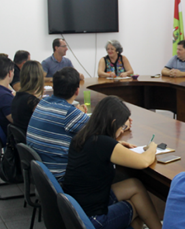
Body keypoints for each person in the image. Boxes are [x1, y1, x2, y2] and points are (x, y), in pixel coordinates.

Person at [63, 96, 162, 229]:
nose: (122, 130)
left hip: (76, 210)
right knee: (140, 207)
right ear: (113, 123)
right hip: (92, 220)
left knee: (135, 185)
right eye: (122, 126)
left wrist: (117, 145)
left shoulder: (83, 136)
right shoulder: (104, 144)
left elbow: (97, 151)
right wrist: (152, 148)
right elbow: (144, 161)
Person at [27, 67, 89, 180]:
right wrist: (123, 125)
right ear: (77, 91)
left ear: (53, 87)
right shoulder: (69, 113)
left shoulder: (42, 103)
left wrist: (77, 113)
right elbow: (102, 129)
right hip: (60, 177)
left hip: (41, 175)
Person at [11, 60, 45, 133]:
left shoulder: (17, 96)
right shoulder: (32, 102)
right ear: (38, 78)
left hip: (22, 140)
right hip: (32, 139)